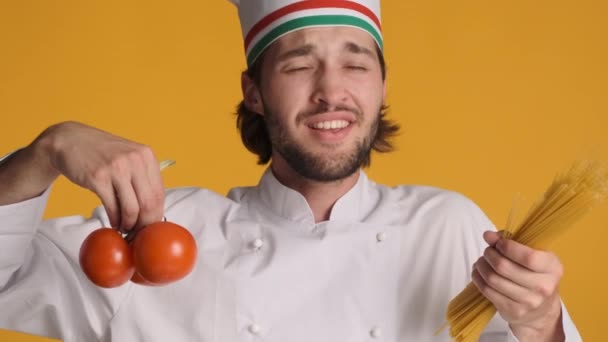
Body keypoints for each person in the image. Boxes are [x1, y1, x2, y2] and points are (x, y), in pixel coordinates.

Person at [0, 0, 582, 341]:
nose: (332, 92)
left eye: (356, 64)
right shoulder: (157, 233)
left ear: (381, 89)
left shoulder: (448, 226)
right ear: (253, 91)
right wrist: (48, 149)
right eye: (300, 64)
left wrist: (543, 324)